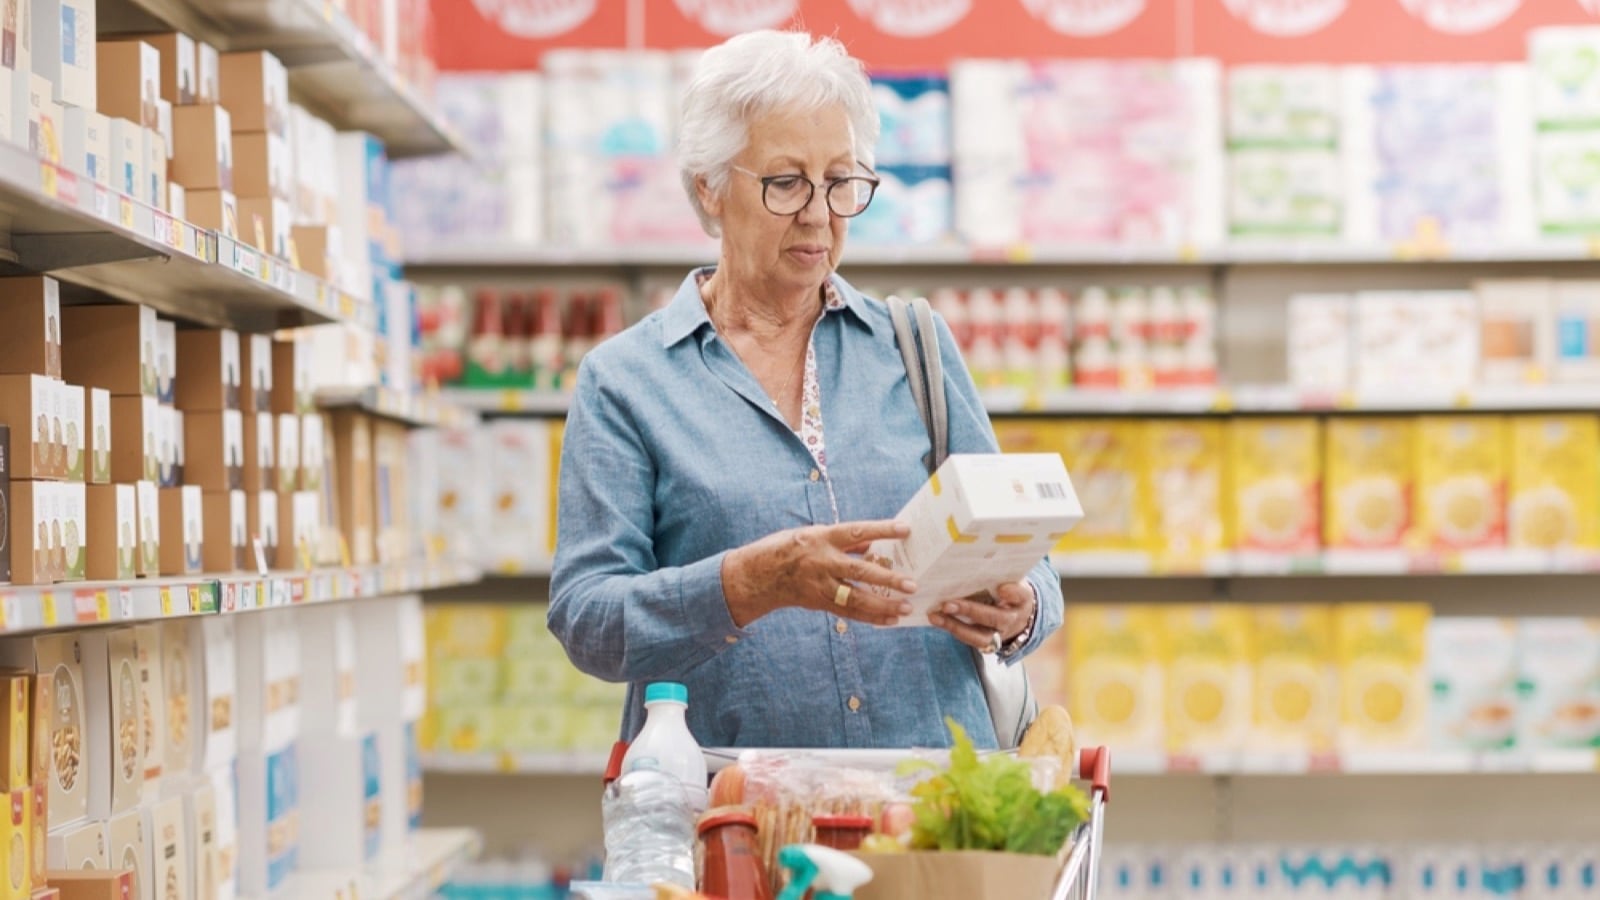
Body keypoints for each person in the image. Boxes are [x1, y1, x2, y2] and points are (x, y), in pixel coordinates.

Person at [549, 29, 1063, 750]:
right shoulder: (628, 381)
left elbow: (1033, 564)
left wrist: (1021, 605)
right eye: (786, 182)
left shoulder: (913, 345)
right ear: (709, 187)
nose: (820, 214)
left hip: (929, 808)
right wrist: (755, 581)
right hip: (737, 816)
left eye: (841, 180)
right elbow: (587, 619)